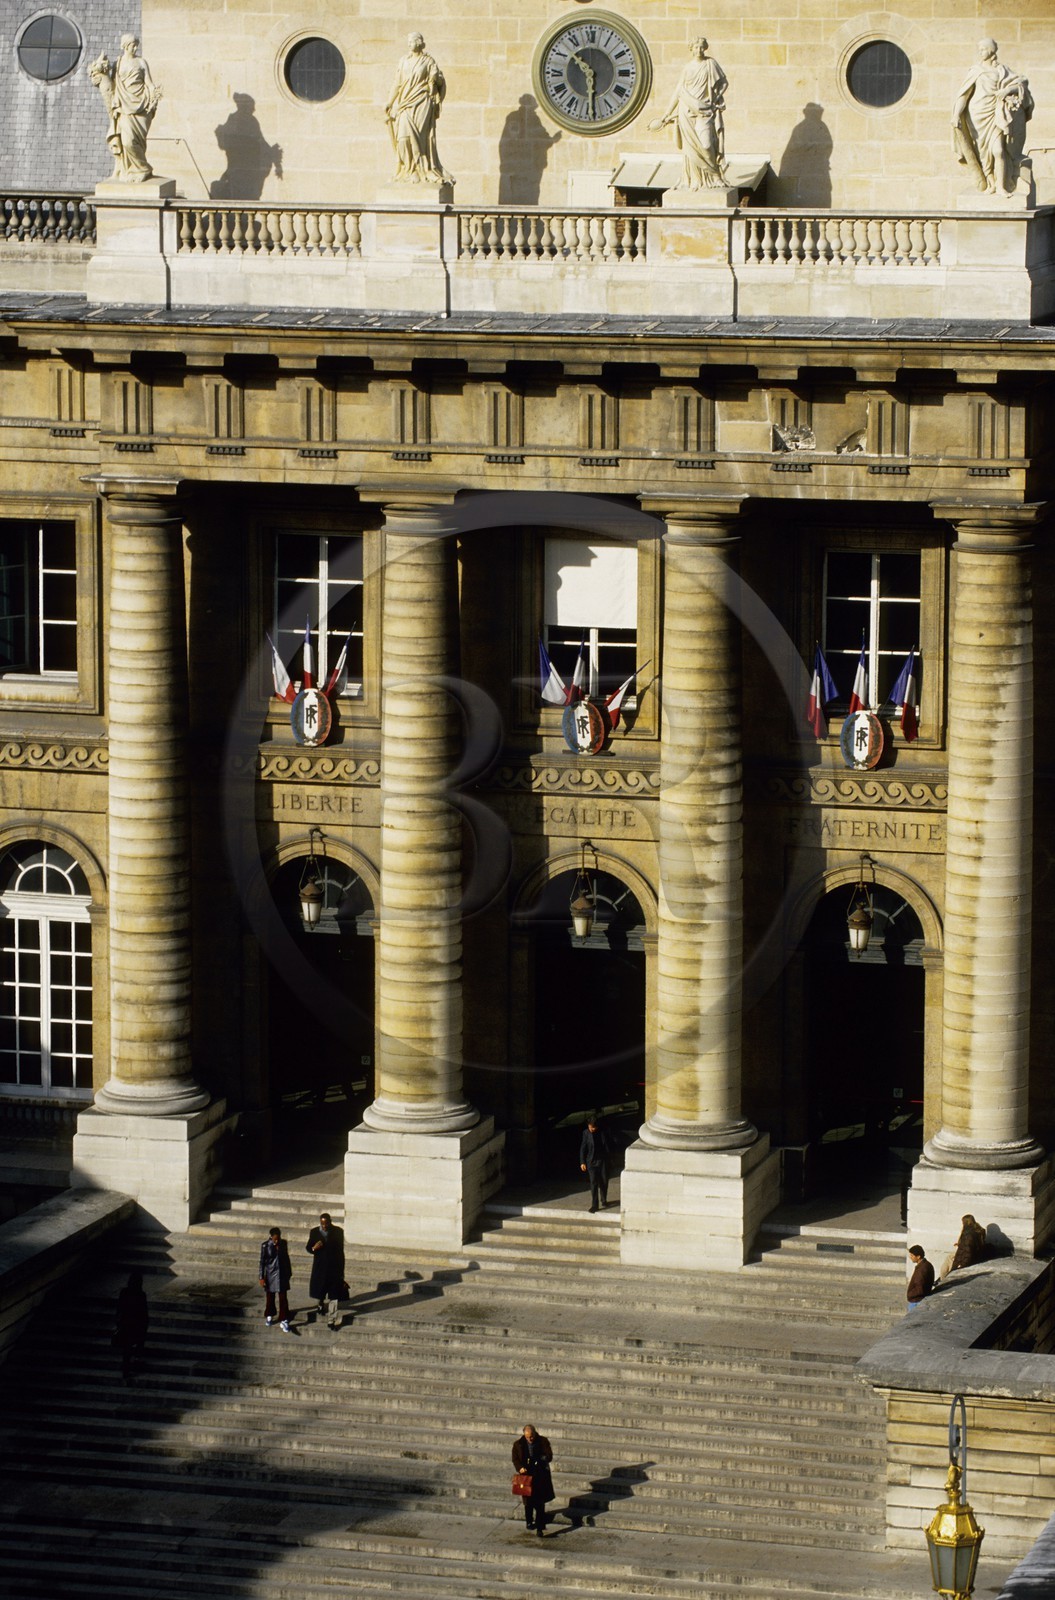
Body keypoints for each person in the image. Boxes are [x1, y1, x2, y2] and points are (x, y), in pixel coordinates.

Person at [952, 39, 1034, 198]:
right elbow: (964, 95)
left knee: (998, 150)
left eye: (983, 49)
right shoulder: (975, 70)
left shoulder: (1002, 70)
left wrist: (1007, 90)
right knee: (983, 153)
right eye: (979, 49)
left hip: (996, 113)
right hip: (977, 114)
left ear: (991, 50)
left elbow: (1022, 83)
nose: (980, 52)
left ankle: (1001, 186)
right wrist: (956, 115)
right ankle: (991, 183)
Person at [649, 37, 729, 190]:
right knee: (691, 148)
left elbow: (724, 83)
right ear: (691, 49)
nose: (699, 50)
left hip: (705, 111)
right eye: (696, 47)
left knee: (706, 145)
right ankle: (696, 179)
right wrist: (666, 113)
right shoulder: (687, 68)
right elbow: (678, 91)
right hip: (686, 110)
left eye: (701, 47)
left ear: (705, 48)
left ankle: (715, 176)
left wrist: (715, 98)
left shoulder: (710, 64)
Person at [90, 35, 163, 183]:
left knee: (138, 142)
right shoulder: (118, 63)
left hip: (141, 106)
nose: (135, 48)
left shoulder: (141, 62)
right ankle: (138, 169)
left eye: (136, 45)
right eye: (132, 45)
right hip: (123, 106)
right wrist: (99, 75)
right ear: (124, 46)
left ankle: (140, 170)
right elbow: (111, 85)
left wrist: (154, 95)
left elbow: (149, 83)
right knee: (127, 142)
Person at [385, 33, 452, 185]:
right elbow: (397, 83)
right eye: (408, 41)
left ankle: (420, 170)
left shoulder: (428, 61)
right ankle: (408, 170)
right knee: (403, 139)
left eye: (412, 41)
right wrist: (390, 102)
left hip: (422, 102)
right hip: (405, 104)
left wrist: (436, 78)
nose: (409, 44)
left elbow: (438, 82)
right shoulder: (403, 61)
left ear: (419, 42)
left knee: (420, 138)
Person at [512, 1423, 554, 1537]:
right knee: (528, 1501)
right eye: (527, 1437)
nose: (530, 1439)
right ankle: (529, 1520)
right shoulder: (518, 1444)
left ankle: (540, 1528)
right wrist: (520, 1468)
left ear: (535, 1433)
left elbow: (549, 1456)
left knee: (540, 1503)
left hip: (540, 1476)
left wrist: (541, 1459)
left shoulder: (543, 1441)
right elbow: (515, 1459)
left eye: (531, 1436)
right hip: (526, 1476)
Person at [306, 1211, 345, 1328]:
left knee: (334, 1295)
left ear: (330, 1222)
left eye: (326, 1224)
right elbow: (308, 1247)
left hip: (334, 1268)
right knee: (320, 1290)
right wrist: (314, 1248)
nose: (324, 1226)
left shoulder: (338, 1232)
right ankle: (320, 1303)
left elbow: (340, 1251)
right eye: (322, 1224)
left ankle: (331, 1320)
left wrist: (341, 1271)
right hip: (320, 1268)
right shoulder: (314, 1232)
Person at [113, 1269, 149, 1382]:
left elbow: (119, 1308)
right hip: (136, 1324)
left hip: (125, 1323)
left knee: (126, 1349)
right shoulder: (141, 1294)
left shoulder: (124, 1292)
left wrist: (118, 1322)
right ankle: (133, 1363)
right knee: (135, 1345)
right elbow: (144, 1312)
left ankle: (126, 1369)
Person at [259, 1225, 292, 1332]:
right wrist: (261, 1277)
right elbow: (262, 1262)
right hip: (270, 1274)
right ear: (271, 1237)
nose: (276, 1241)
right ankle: (269, 1314)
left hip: (282, 1274)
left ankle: (284, 1317)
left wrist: (289, 1272)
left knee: (283, 1297)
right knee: (270, 1296)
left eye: (278, 1238)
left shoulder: (283, 1244)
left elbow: (286, 1258)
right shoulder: (265, 1246)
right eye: (275, 1239)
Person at [937, 1214, 987, 1282]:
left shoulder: (968, 1234)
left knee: (949, 1259)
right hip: (977, 1254)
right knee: (950, 1257)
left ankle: (942, 1279)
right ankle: (943, 1277)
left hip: (972, 1257)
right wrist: (960, 1244)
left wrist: (961, 1265)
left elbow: (968, 1252)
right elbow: (972, 1244)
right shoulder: (979, 1230)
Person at [579, 1117, 610, 1213]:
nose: (591, 1129)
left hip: (602, 1161)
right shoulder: (586, 1133)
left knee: (604, 1181)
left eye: (593, 1127)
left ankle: (604, 1200)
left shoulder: (602, 1132)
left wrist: (610, 1159)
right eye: (590, 1127)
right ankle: (594, 1205)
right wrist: (582, 1162)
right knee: (593, 1183)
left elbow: (607, 1146)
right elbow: (583, 1148)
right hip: (591, 1162)